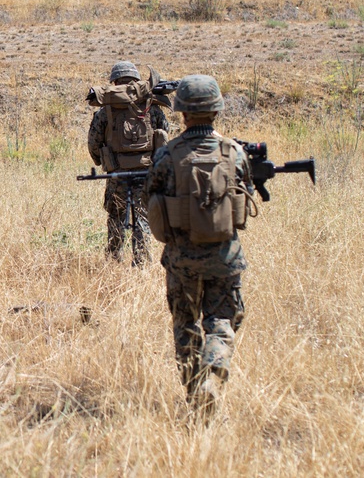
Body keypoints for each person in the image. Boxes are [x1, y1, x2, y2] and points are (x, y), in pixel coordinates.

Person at [145, 75, 254, 418]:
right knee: (221, 321)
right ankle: (212, 378)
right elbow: (245, 194)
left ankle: (195, 394)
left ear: (182, 114)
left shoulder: (168, 156)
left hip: (181, 261)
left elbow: (152, 199)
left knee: (186, 326)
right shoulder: (233, 152)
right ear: (216, 111)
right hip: (225, 258)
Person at [87, 61, 171, 266]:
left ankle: (114, 261)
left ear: (114, 82)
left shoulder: (105, 109)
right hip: (146, 172)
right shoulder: (152, 106)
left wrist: (101, 160)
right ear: (136, 80)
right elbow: (165, 133)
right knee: (142, 218)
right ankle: (141, 262)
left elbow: (94, 142)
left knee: (116, 215)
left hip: (117, 172)